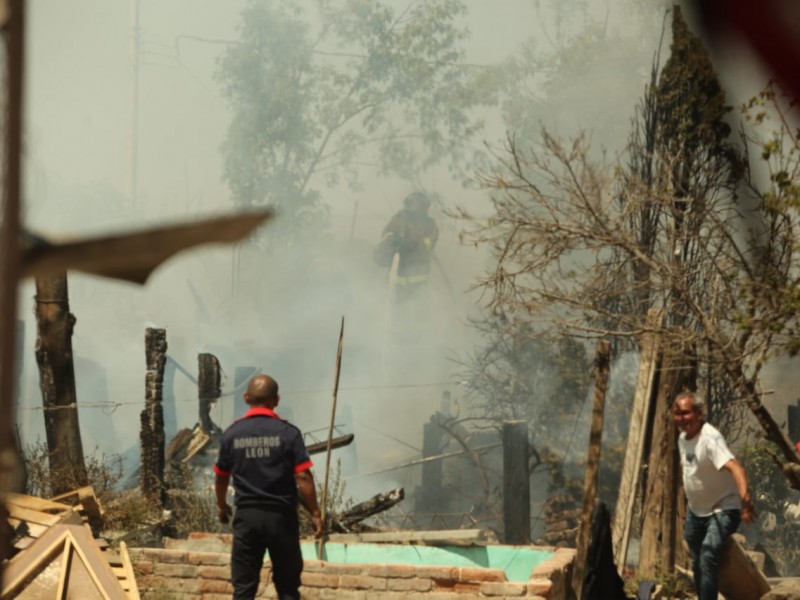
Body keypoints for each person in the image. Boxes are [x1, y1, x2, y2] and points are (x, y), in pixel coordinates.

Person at [214, 374, 323, 600]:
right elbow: (303, 476)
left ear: (246, 398)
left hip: (246, 519)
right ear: (276, 399)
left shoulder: (232, 434)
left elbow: (221, 477)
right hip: (281, 518)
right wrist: (315, 512)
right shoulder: (288, 433)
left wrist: (222, 506)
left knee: (244, 588)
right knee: (288, 588)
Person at [673, 391, 755, 600]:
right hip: (696, 511)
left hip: (722, 508)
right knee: (697, 561)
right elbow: (691, 473)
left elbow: (737, 468)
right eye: (677, 414)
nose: (681, 419)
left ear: (699, 413)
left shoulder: (710, 439)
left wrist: (745, 502)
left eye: (685, 413)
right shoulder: (683, 439)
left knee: (708, 557)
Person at [373, 191, 439, 303]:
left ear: (425, 206)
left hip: (419, 273)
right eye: (414, 203)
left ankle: (421, 320)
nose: (416, 207)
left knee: (419, 306)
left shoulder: (429, 224)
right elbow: (387, 232)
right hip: (398, 269)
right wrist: (392, 239)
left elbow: (429, 241)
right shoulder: (400, 217)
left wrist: (414, 245)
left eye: (419, 204)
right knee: (394, 304)